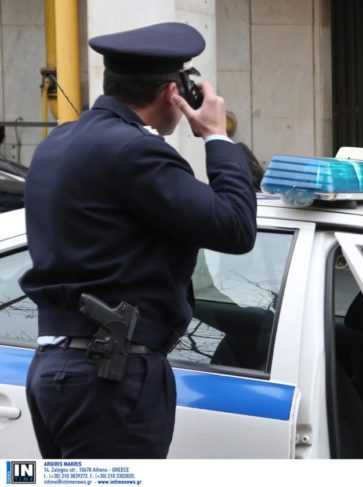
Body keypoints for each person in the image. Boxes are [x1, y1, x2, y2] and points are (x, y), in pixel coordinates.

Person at [20, 22, 257, 459]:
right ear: (173, 93)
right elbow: (236, 227)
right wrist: (217, 137)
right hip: (109, 379)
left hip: (57, 369)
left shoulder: (58, 144)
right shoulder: (135, 152)